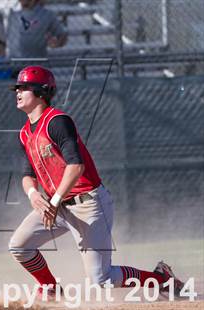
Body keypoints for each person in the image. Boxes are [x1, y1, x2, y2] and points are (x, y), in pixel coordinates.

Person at [10, 65, 185, 300]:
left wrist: (53, 200)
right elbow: (27, 174)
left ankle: (162, 279)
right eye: (17, 88)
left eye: (25, 87)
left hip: (88, 204)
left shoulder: (57, 121)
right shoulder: (24, 133)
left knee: (102, 279)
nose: (18, 92)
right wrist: (33, 195)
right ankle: (50, 287)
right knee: (19, 246)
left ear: (42, 91)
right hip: (58, 206)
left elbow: (76, 166)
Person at [0, 0, 66, 60]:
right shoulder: (9, 12)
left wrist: (57, 43)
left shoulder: (46, 14)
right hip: (14, 65)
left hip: (38, 63)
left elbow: (62, 35)